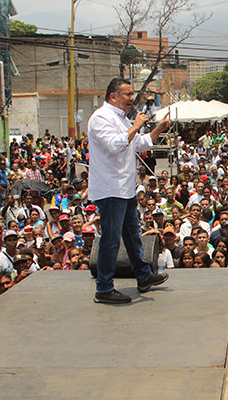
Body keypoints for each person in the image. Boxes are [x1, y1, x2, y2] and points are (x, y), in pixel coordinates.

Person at [87, 78, 171, 303]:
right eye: (127, 94)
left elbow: (140, 143)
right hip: (110, 188)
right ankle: (103, 288)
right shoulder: (101, 118)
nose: (132, 99)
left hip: (125, 188)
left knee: (133, 235)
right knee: (111, 241)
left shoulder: (122, 119)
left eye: (132, 94)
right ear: (113, 96)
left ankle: (143, 276)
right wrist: (135, 126)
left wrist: (158, 128)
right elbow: (115, 145)